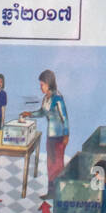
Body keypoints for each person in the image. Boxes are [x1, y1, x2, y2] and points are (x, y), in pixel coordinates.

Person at [20, 69, 69, 198]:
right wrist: (29, 114)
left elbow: (64, 117)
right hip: (50, 137)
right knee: (50, 165)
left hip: (59, 137)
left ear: (48, 83)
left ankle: (59, 194)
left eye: (42, 84)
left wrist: (66, 135)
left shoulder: (57, 98)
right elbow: (42, 112)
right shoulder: (45, 99)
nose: (40, 87)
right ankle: (51, 192)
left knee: (58, 165)